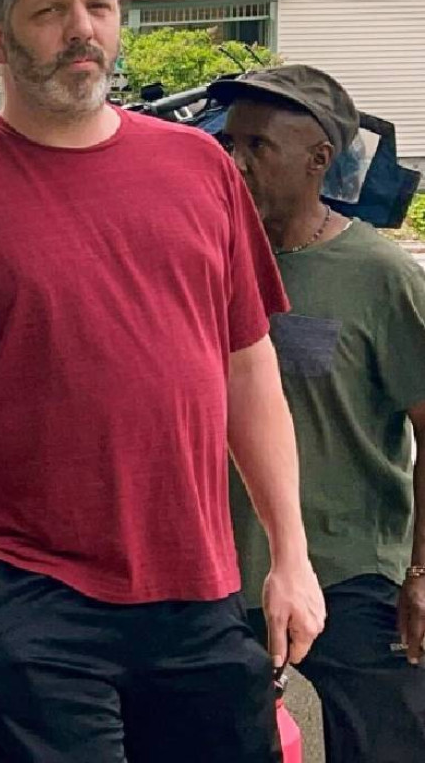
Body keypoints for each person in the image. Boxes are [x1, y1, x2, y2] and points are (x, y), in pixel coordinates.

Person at [0, 0, 326, 762]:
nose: (82, 29)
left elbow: (249, 370)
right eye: (50, 11)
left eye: (98, 6)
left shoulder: (202, 170)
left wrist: (291, 555)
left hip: (200, 590)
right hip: (36, 601)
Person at [213, 66, 425, 762]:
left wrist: (421, 575)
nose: (237, 162)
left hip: (354, 577)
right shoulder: (214, 265)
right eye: (230, 143)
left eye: (259, 146)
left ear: (318, 160)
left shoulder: (378, 275)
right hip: (226, 576)